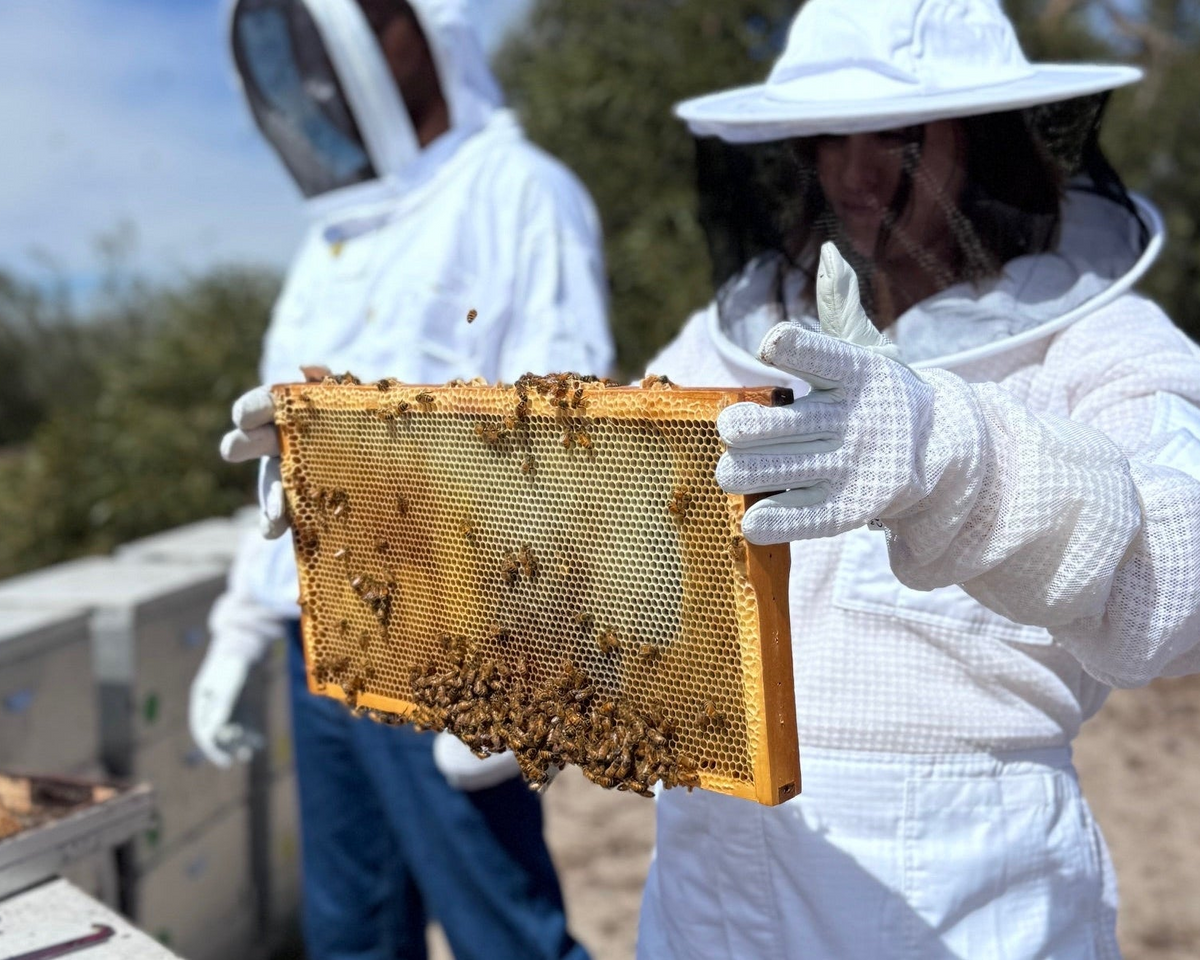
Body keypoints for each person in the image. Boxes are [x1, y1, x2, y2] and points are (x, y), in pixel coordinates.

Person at [637, 0, 1200, 957]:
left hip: (958, 893)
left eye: (896, 135)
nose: (853, 173)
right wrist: (368, 481)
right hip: (707, 878)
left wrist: (953, 460)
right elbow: (586, 494)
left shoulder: (1097, 334)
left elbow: (1180, 578)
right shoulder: (742, 331)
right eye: (827, 137)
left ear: (982, 139)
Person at [189, 2, 611, 958]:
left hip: (448, 638)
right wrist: (242, 626)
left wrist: (525, 666)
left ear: (437, 30)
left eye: (382, 18)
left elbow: (565, 433)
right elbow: (280, 454)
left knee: (502, 930)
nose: (335, 57)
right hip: (319, 642)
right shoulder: (330, 238)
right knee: (349, 934)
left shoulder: (520, 191)